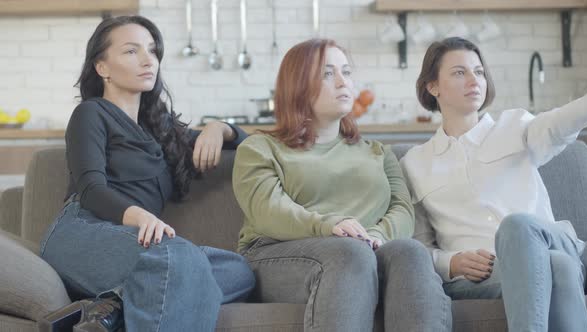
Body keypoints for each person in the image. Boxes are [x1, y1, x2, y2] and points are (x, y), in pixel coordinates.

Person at [39, 15, 255, 332]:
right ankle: (121, 301)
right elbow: (90, 189)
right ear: (102, 68)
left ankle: (111, 306)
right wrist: (139, 216)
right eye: (131, 51)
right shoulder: (91, 113)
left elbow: (251, 147)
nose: (147, 60)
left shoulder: (162, 131)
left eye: (152, 51)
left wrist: (218, 128)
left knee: (239, 270)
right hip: (82, 233)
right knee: (177, 255)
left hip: (145, 248)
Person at [232, 38, 452, 332]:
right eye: (327, 73)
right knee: (350, 253)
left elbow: (402, 208)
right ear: (298, 84)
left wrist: (377, 234)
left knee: (410, 252)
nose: (342, 82)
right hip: (278, 256)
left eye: (346, 72)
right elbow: (267, 210)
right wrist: (328, 225)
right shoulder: (260, 148)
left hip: (366, 250)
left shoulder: (378, 152)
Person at [401, 36, 587, 332]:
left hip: (553, 241)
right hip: (488, 272)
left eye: (478, 72)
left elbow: (556, 125)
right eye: (459, 72)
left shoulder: (514, 126)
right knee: (559, 265)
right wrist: (450, 262)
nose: (474, 80)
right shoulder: (415, 163)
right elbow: (415, 245)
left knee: (519, 227)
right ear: (432, 86)